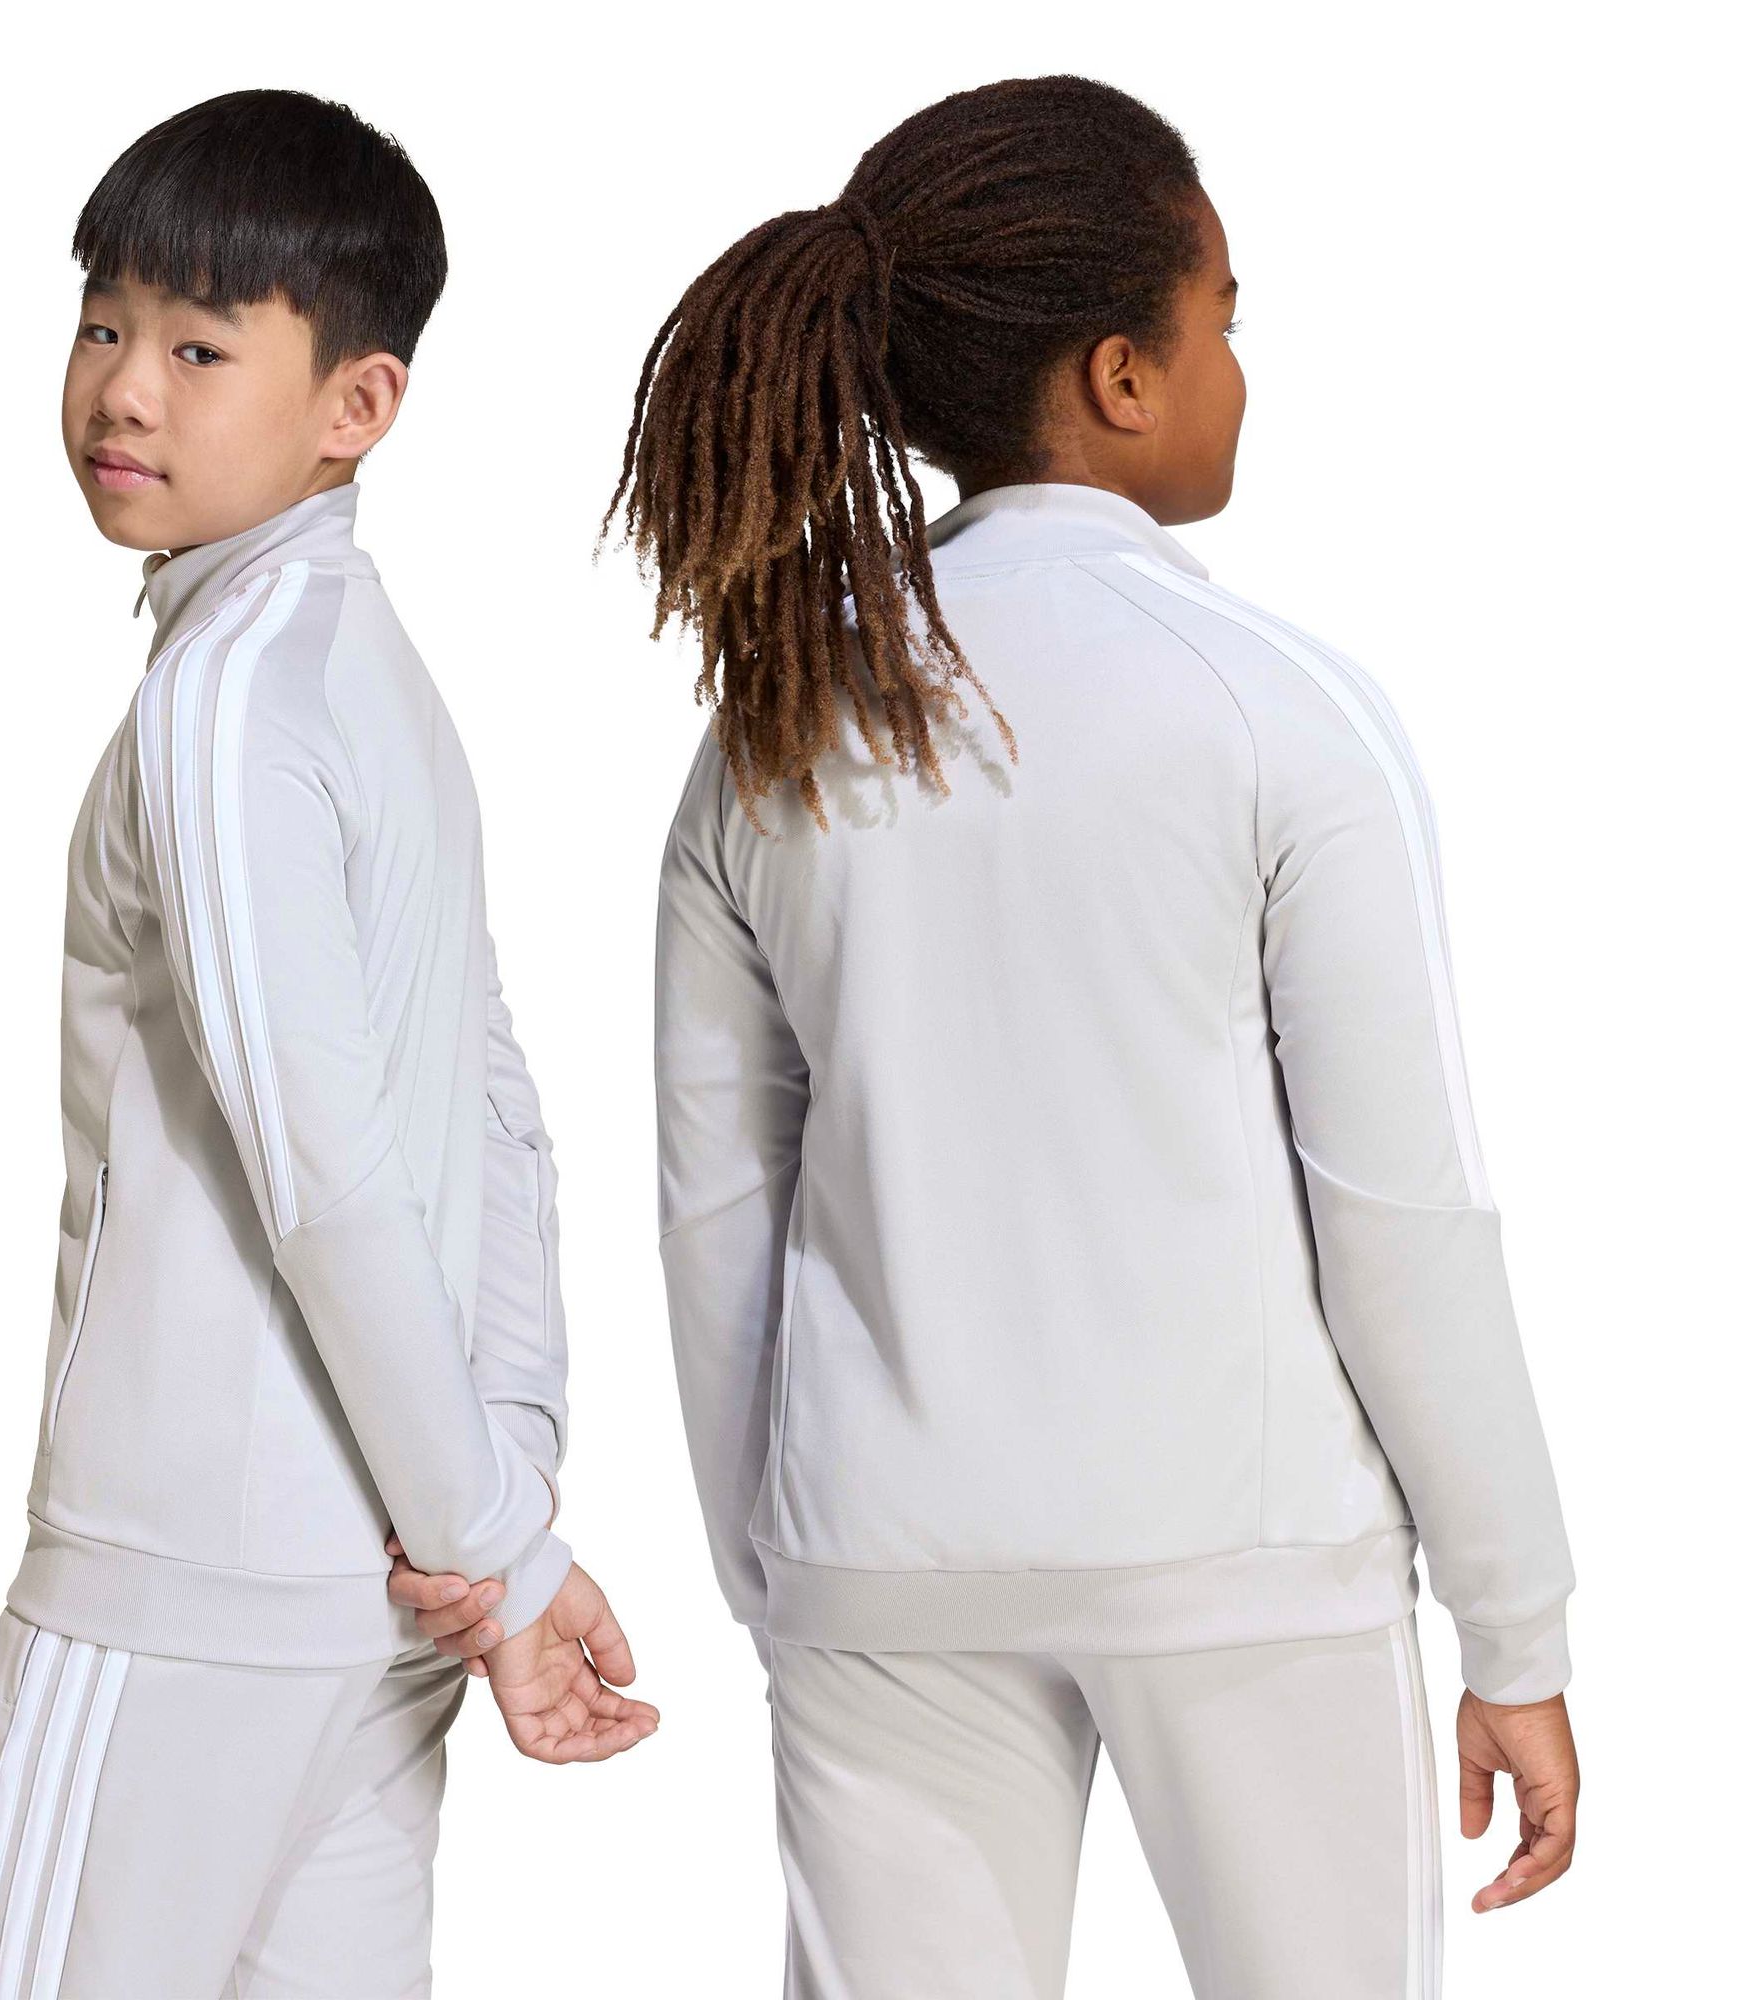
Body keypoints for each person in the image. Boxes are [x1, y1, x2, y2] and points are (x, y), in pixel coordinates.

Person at [611, 74, 1577, 1999]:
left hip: (879, 1558)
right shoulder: (1278, 709)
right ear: (1123, 377)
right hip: (1245, 1551)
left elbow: (718, 1211)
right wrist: (1516, 1628)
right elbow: (1400, 1215)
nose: (1239, 369)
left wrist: (787, 1571)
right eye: (1225, 320)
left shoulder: (771, 733)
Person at [0, 89, 656, 2000]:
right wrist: (501, 1507)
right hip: (372, 1621)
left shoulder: (229, 703)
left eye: (199, 346)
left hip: (180, 1598)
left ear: (360, 403)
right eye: (104, 322)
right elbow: (497, 1118)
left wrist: (496, 1534)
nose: (123, 389)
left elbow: (330, 1173)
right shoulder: (366, 675)